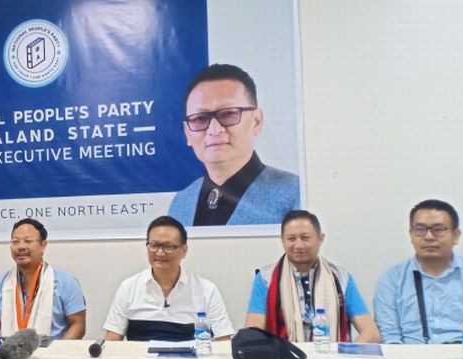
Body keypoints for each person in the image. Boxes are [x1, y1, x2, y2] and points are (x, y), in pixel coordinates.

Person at [168, 63, 299, 226]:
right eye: (200, 119)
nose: (214, 130)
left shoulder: (296, 194)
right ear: (188, 133)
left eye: (228, 114)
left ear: (257, 121)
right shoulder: (180, 204)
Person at [245, 210, 379, 343]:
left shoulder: (341, 278)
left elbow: (371, 334)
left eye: (305, 238)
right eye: (291, 239)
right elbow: (253, 331)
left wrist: (345, 357)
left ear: (320, 239)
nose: (298, 245)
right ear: (282, 240)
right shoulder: (265, 278)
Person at [103, 216, 235, 341]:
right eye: (154, 245)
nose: (160, 253)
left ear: (184, 250)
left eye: (168, 246)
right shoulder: (129, 287)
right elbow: (113, 338)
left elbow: (223, 340)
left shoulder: (206, 289)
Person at [374, 199, 463, 344]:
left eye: (438, 229)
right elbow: (389, 336)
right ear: (411, 234)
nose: (429, 237)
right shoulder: (392, 278)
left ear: (456, 235)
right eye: (420, 229)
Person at [0, 218, 86, 339]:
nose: (21, 247)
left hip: (52, 354)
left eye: (28, 241)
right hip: (7, 356)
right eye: (15, 242)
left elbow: (78, 325)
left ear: (43, 245)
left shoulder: (66, 283)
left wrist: (57, 353)